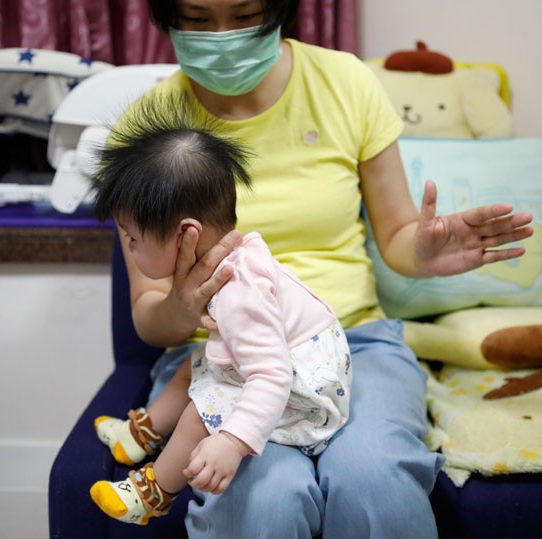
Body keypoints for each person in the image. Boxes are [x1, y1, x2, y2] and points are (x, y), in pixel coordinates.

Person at [102, 1, 535, 537]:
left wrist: (421, 252)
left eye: (245, 14)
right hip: (220, 357)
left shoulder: (345, 83)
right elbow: (148, 316)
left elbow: (398, 237)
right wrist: (182, 304)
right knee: (265, 499)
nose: (222, 36)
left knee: (373, 477)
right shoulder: (147, 131)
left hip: (352, 342)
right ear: (167, 16)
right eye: (196, 19)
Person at [88, 94, 352, 525]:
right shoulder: (227, 258)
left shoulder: (237, 292)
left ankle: (153, 491)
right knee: (194, 367)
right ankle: (141, 434)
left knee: (202, 408)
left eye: (133, 239)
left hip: (307, 390)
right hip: (295, 359)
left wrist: (230, 442)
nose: (129, 250)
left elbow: (271, 375)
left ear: (185, 235)